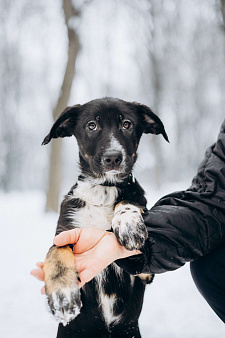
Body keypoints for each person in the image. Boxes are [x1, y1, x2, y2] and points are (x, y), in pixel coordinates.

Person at [31, 120, 225, 323]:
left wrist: (128, 220)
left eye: (126, 124)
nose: (112, 149)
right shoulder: (73, 205)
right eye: (91, 126)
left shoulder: (133, 204)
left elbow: (146, 275)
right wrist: (59, 270)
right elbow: (212, 202)